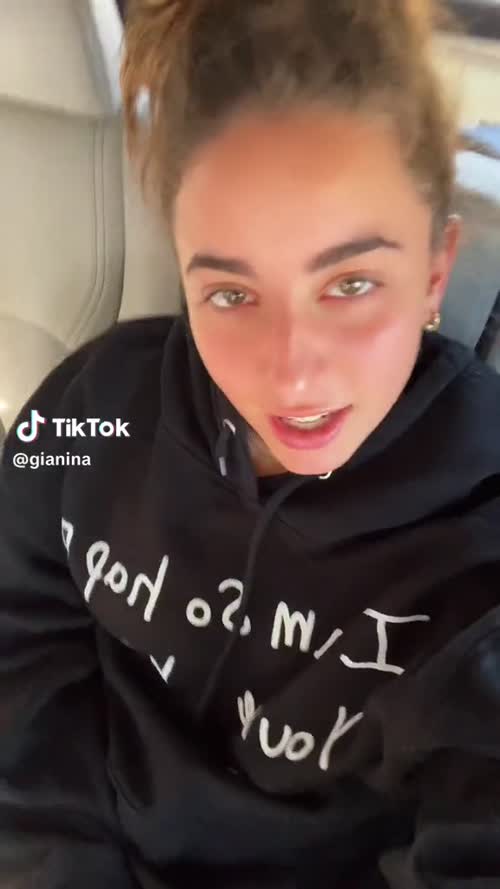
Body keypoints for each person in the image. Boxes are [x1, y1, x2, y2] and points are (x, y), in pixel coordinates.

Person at [1, 1, 500, 887]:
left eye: (350, 283)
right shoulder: (89, 410)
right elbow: (16, 635)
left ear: (435, 272)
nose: (293, 374)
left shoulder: (482, 524)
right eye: (231, 294)